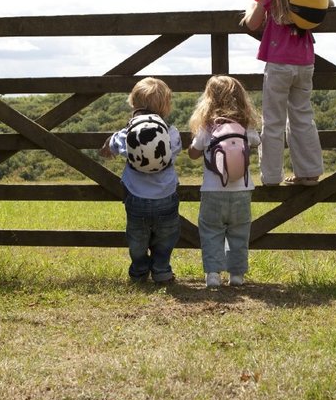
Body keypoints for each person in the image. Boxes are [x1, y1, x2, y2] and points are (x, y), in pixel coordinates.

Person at [241, 0, 326, 187]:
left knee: (273, 121)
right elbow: (327, 4)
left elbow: (252, 23)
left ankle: (271, 177)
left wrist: (252, 8)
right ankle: (309, 173)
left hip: (279, 64)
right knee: (302, 117)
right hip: (305, 63)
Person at [100, 77, 182, 284]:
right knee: (166, 238)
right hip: (166, 197)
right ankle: (162, 271)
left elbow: (110, 149)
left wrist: (108, 146)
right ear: (165, 105)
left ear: (134, 103)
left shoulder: (127, 133)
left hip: (135, 197)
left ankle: (138, 271)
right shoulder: (171, 133)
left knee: (136, 239)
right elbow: (175, 152)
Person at [187, 75, 261, 288]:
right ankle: (236, 275)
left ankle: (212, 274)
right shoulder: (245, 125)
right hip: (242, 190)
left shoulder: (207, 126)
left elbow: (194, 153)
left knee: (211, 232)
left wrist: (194, 148)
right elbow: (256, 142)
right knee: (239, 232)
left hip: (212, 191)